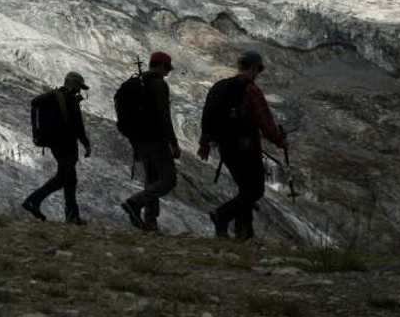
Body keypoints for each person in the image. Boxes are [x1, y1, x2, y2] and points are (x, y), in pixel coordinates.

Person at [199, 50, 285, 241]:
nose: (258, 74)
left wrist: (204, 143)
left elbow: (207, 115)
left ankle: (243, 232)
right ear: (254, 68)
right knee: (255, 190)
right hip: (246, 148)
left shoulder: (220, 87)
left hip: (225, 147)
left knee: (245, 190)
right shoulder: (250, 90)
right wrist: (280, 140)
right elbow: (266, 122)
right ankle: (222, 215)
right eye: (259, 70)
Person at [119, 52, 181, 232]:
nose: (168, 72)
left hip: (140, 140)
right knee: (168, 180)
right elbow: (164, 116)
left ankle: (150, 222)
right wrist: (174, 143)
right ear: (160, 65)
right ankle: (134, 202)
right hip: (156, 140)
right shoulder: (158, 84)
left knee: (152, 179)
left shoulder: (138, 83)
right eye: (167, 68)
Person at [22, 72, 92, 225]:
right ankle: (71, 215)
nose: (79, 90)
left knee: (64, 178)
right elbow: (78, 126)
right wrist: (85, 143)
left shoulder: (55, 96)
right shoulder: (67, 99)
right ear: (73, 84)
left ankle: (34, 202)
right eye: (79, 87)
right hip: (65, 144)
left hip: (58, 144)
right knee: (69, 178)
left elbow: (35, 103)